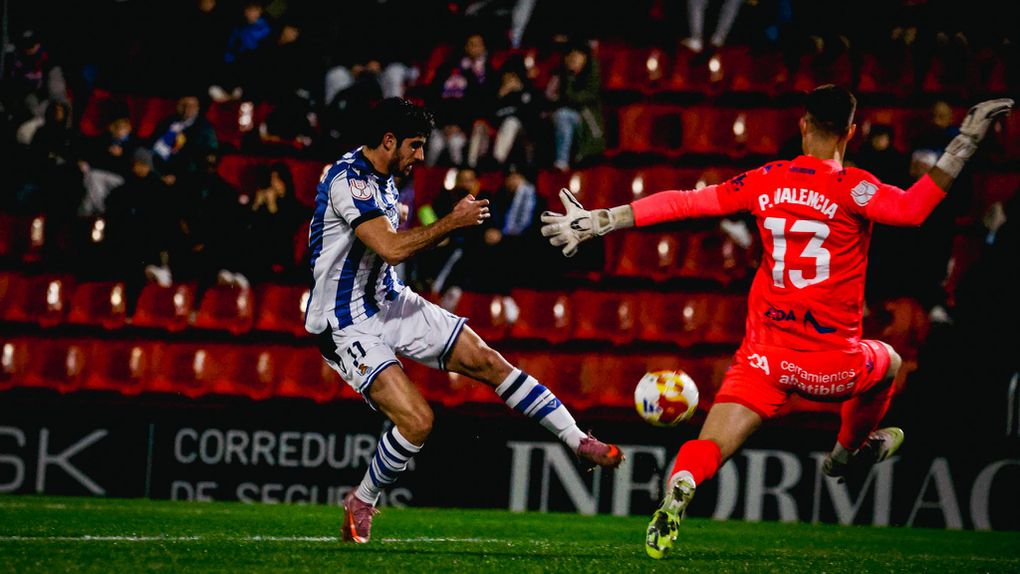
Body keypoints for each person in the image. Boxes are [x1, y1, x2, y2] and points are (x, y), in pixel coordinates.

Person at [539, 86, 1012, 559]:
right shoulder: (854, 187)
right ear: (849, 132)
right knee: (887, 361)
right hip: (832, 367)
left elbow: (685, 202)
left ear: (803, 125)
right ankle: (843, 457)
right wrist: (965, 140)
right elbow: (914, 209)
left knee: (711, 443)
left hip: (765, 358)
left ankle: (682, 482)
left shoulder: (765, 179)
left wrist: (604, 219)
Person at [305, 97, 623, 544]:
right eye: (415, 146)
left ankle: (576, 440)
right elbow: (392, 248)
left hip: (388, 298)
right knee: (417, 421)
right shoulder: (348, 181)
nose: (421, 156)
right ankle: (362, 500)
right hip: (344, 321)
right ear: (389, 141)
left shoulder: (389, 177)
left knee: (488, 360)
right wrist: (451, 223)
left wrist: (452, 228)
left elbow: (401, 248)